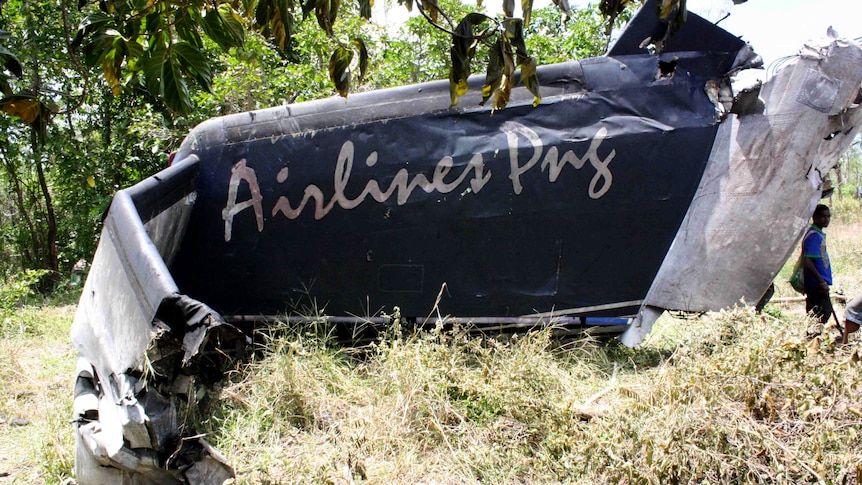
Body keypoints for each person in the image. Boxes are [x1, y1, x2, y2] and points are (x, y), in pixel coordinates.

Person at [802, 204, 833, 327]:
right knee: (821, 312)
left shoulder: (818, 234)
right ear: (814, 217)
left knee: (818, 313)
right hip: (816, 283)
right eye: (822, 217)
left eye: (828, 216)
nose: (826, 219)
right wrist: (821, 282)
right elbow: (808, 261)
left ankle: (813, 339)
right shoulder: (814, 236)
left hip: (818, 282)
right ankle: (812, 338)